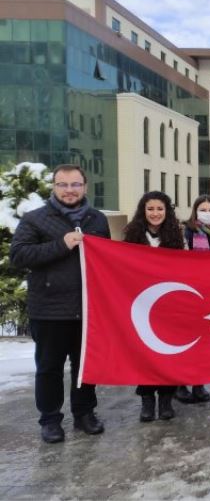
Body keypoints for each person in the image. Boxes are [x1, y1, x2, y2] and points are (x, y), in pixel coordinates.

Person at [10, 164, 110, 443]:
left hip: (88, 310)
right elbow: (19, 255)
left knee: (85, 366)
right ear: (54, 187)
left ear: (85, 187)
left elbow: (108, 262)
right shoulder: (35, 219)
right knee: (49, 367)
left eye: (75, 184)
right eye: (63, 185)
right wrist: (61, 244)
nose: (69, 190)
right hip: (49, 310)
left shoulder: (97, 219)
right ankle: (50, 419)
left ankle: (84, 413)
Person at [123, 191, 185, 422]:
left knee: (167, 354)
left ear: (167, 211)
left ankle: (166, 401)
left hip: (168, 305)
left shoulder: (176, 237)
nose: (155, 213)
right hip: (140, 303)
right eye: (150, 209)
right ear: (143, 211)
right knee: (145, 352)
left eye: (160, 209)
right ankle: (147, 401)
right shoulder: (132, 235)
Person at [175, 195, 210, 404]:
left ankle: (199, 383)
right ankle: (180, 383)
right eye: (203, 209)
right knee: (187, 340)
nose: (207, 213)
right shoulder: (186, 231)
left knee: (204, 342)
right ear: (195, 211)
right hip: (190, 293)